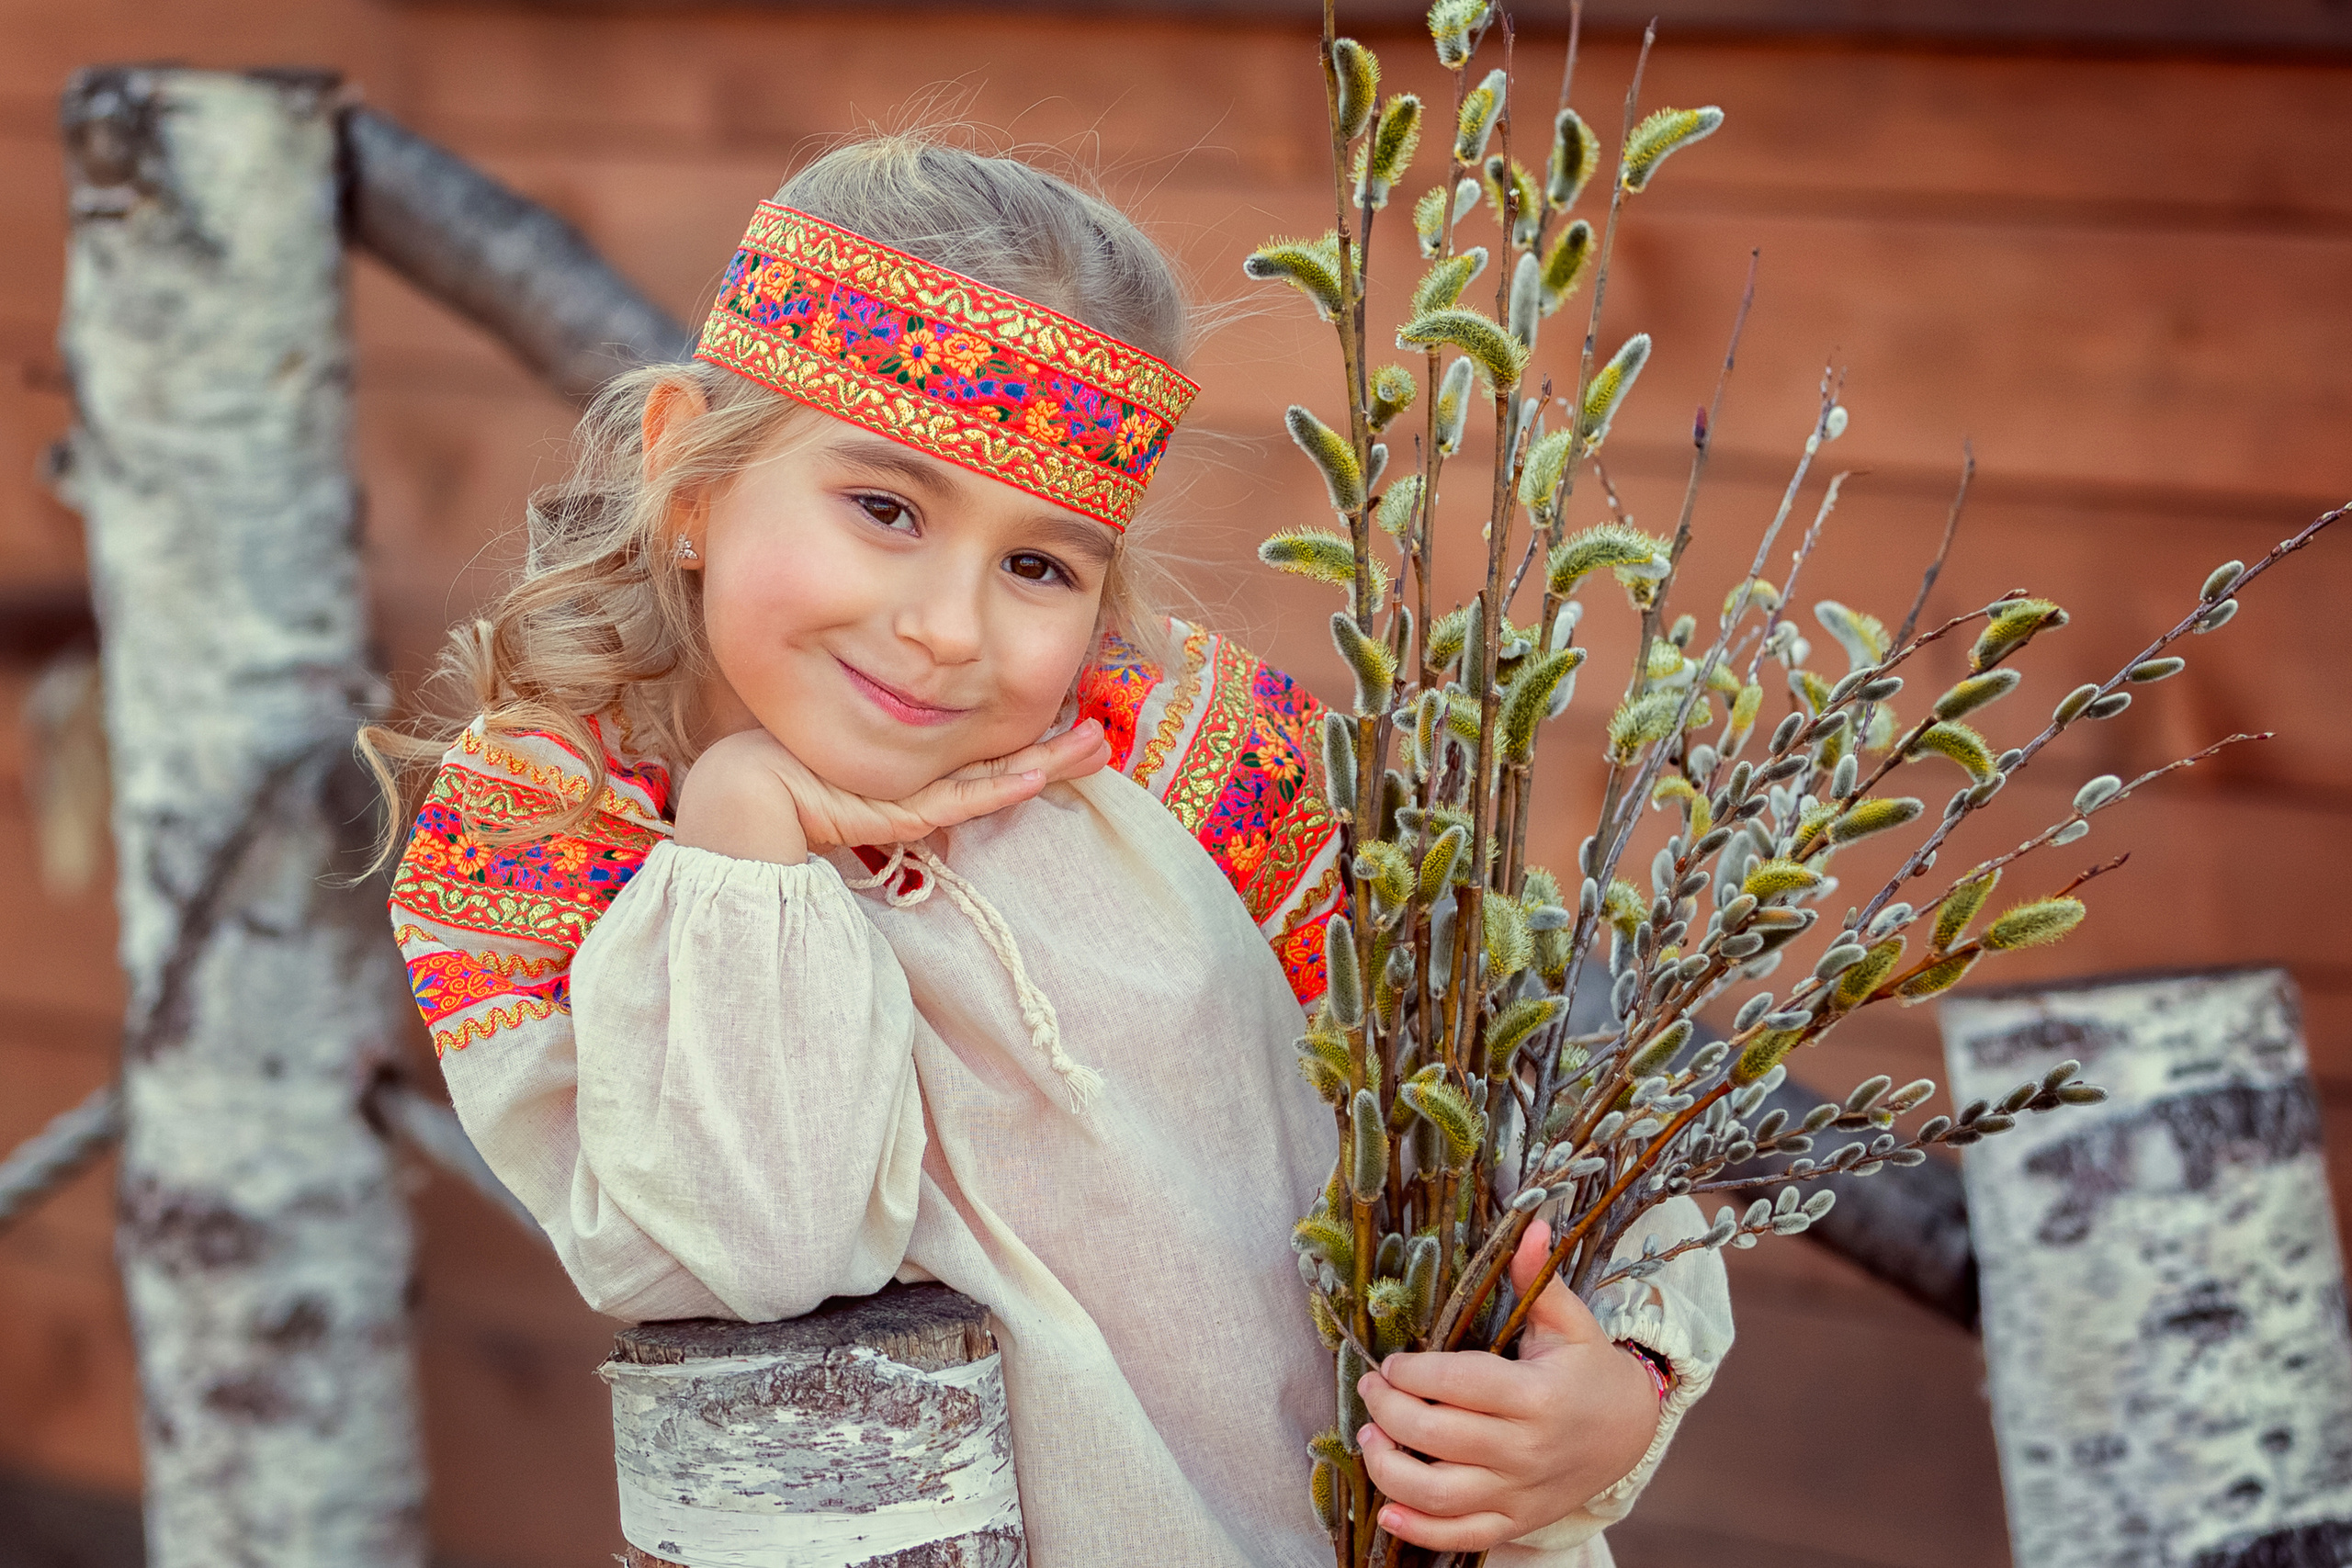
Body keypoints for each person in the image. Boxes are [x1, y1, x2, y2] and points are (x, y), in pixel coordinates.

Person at [368, 132, 1732, 1568]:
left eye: (1038, 567)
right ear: (686, 479)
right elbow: (757, 1248)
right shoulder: (550, 846)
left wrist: (1625, 1382)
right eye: (884, 509)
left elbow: (1537, 1086)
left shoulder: (1199, 768)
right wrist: (742, 831)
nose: (950, 628)